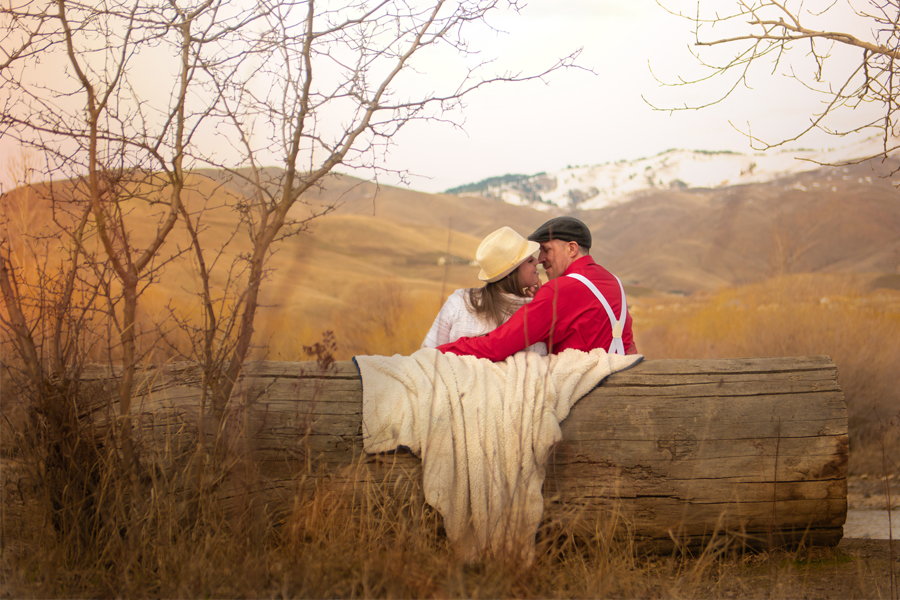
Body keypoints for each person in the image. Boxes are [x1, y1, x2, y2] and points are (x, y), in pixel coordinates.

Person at [437, 216, 637, 361]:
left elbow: (496, 346)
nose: (540, 259)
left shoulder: (558, 291)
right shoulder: (614, 282)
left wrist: (440, 351)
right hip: (622, 379)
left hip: (585, 402)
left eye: (547, 250)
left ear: (572, 249)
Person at [422, 227, 548, 355]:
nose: (537, 262)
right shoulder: (460, 302)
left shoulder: (459, 301)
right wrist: (540, 306)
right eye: (530, 260)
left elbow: (428, 354)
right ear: (511, 272)